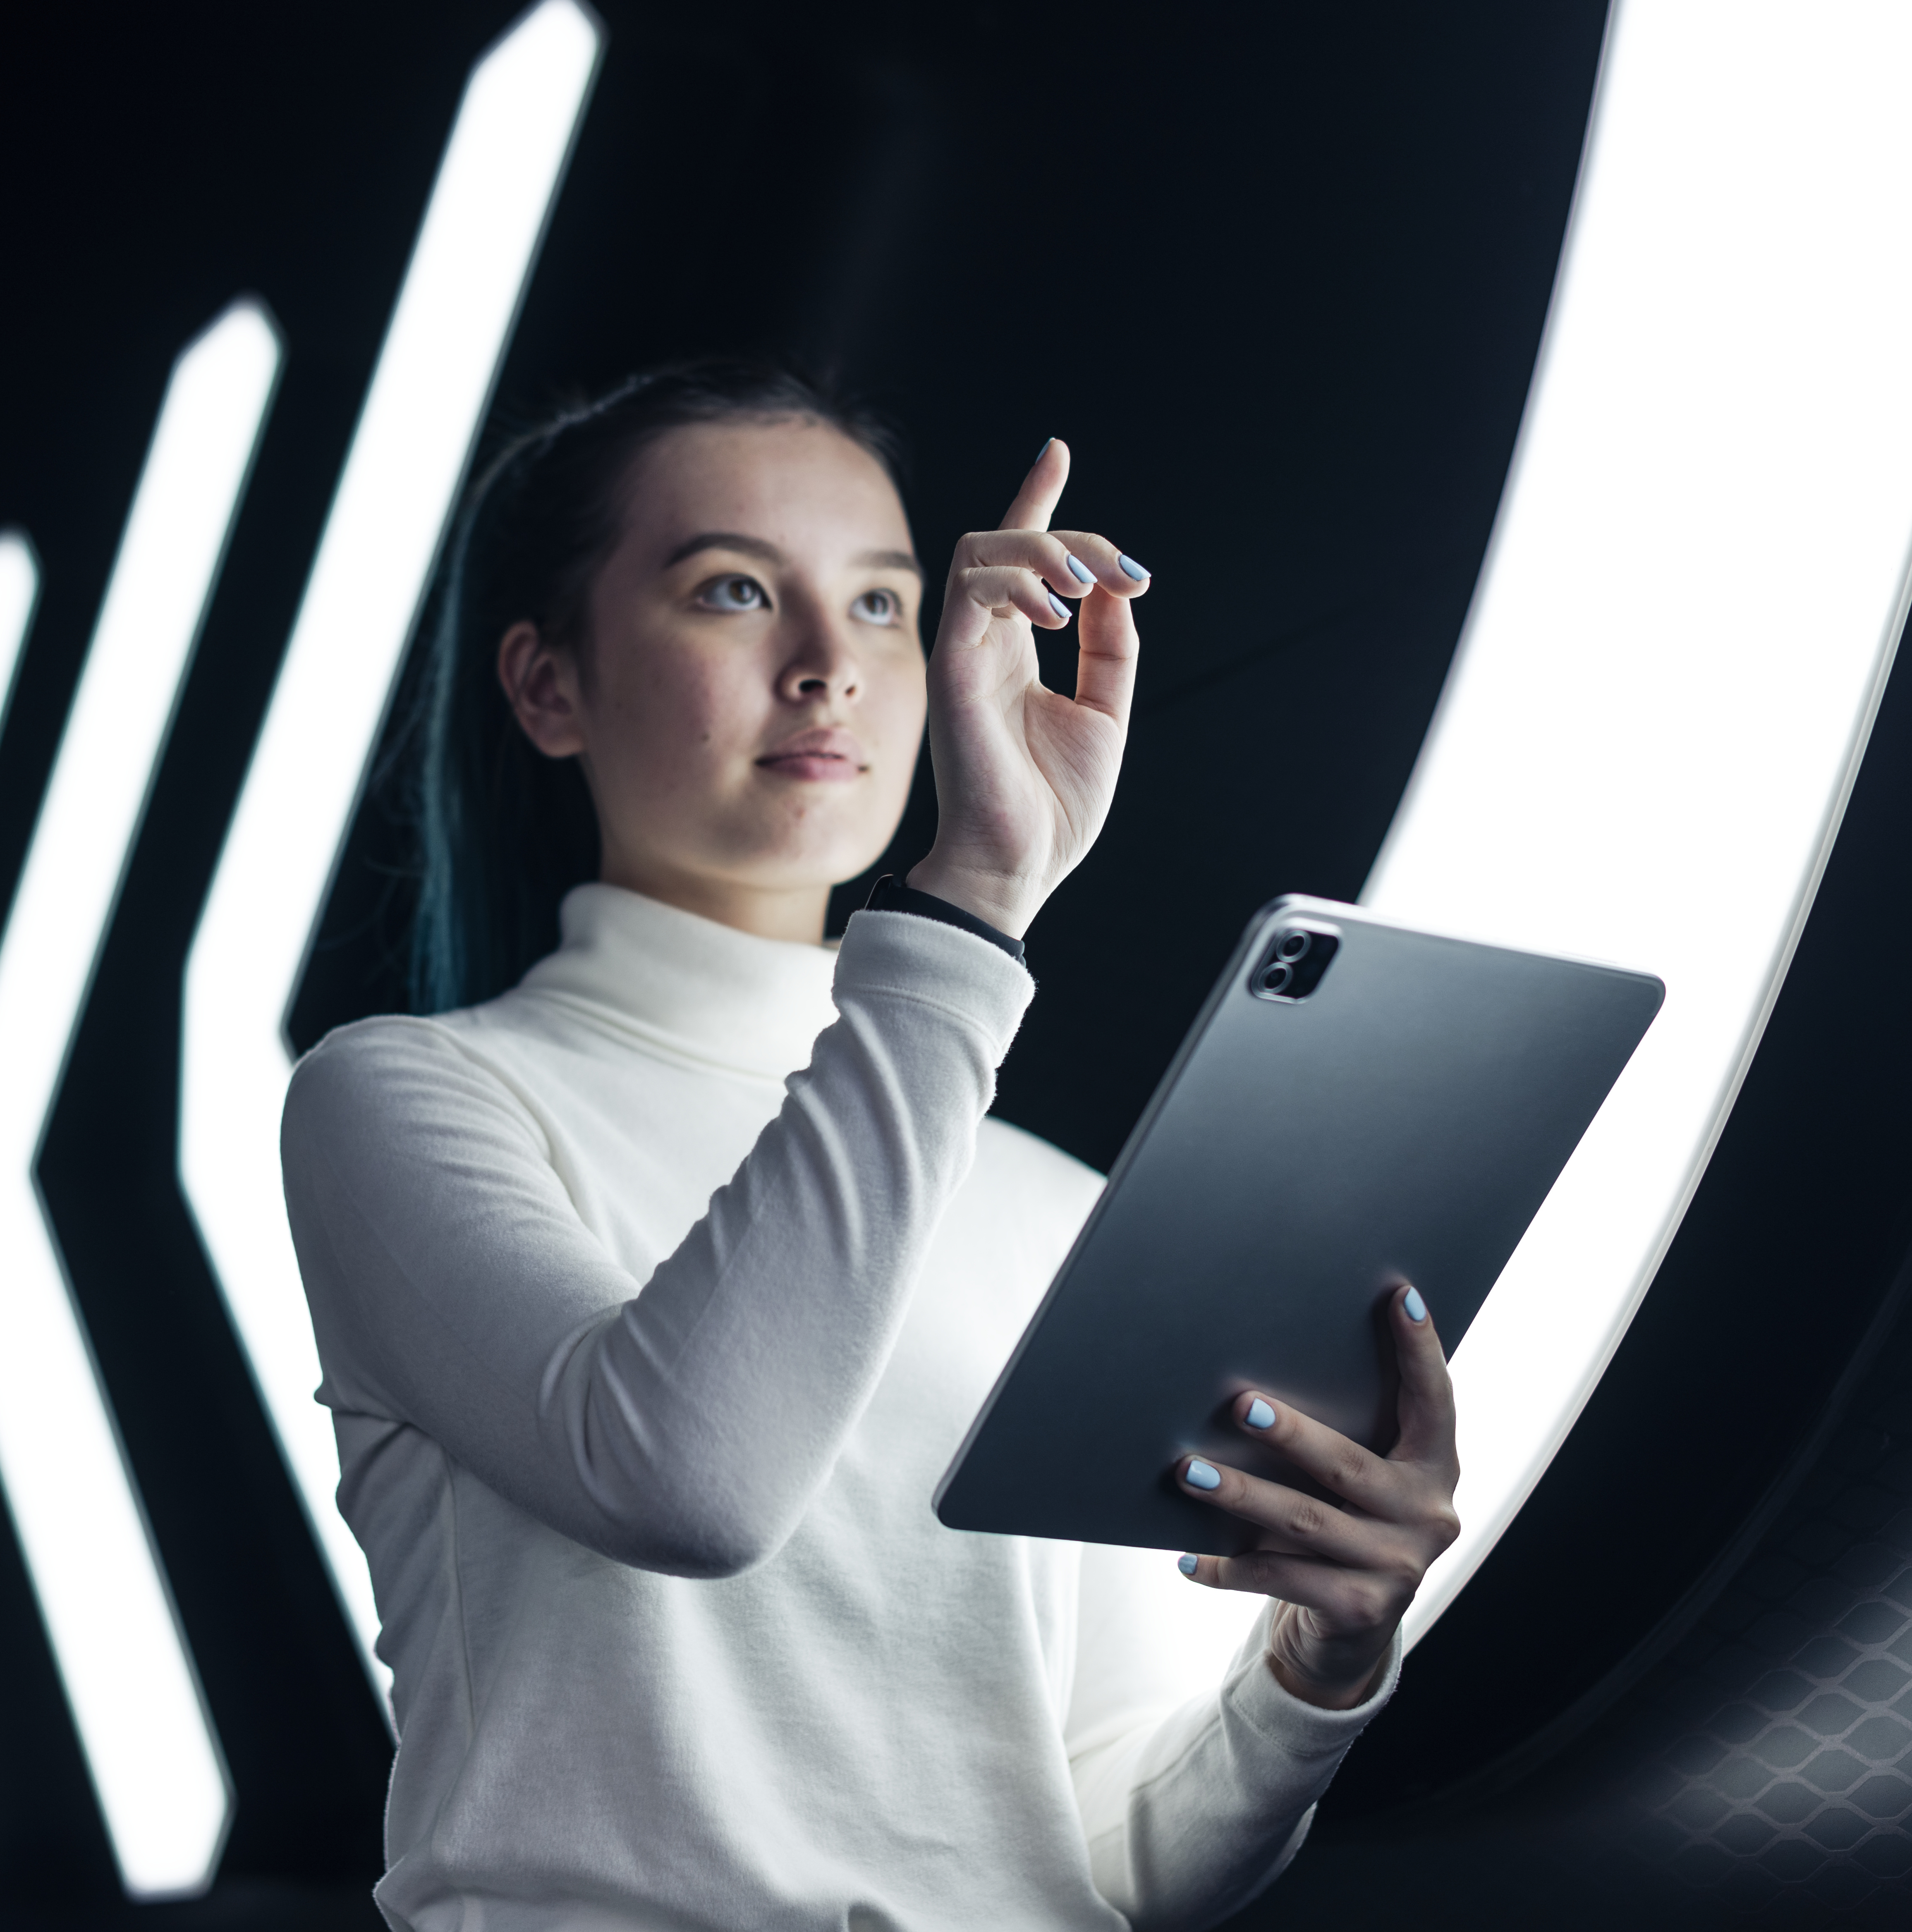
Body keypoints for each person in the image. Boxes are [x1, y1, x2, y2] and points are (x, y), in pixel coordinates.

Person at [280, 364, 1463, 1930]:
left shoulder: (1058, 1208)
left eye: (889, 606)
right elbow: (689, 1479)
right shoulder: (413, 1099)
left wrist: (1321, 1668)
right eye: (730, 593)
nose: (829, 665)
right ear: (547, 685)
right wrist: (974, 899)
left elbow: (1118, 1848)